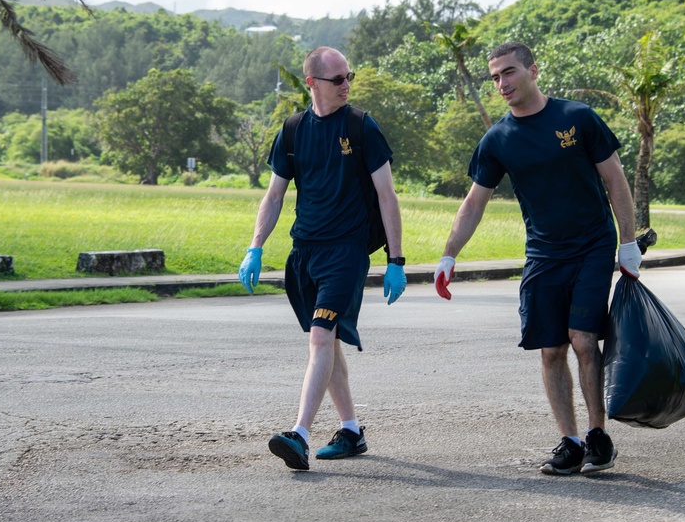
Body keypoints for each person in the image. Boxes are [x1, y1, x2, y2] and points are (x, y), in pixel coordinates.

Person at [434, 41, 641, 476]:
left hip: (591, 245)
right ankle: (569, 441)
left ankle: (597, 435)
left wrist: (627, 242)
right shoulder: (498, 140)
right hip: (544, 254)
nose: (502, 84)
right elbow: (474, 203)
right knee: (551, 350)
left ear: (533, 70)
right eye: (494, 77)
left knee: (583, 339)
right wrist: (449, 256)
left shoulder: (577, 118)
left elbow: (616, 181)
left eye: (508, 73)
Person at [238, 46, 407, 471]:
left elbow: (387, 197)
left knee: (319, 337)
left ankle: (299, 435)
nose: (346, 84)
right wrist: (255, 247)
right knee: (326, 342)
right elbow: (274, 194)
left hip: (346, 252)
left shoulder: (362, 127)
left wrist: (396, 260)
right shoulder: (293, 130)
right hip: (304, 252)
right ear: (312, 83)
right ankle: (351, 430)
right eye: (337, 79)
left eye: (349, 76)